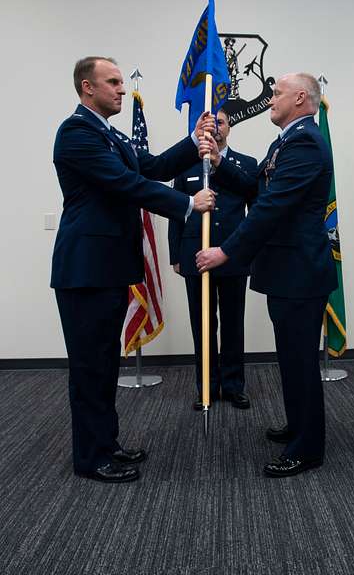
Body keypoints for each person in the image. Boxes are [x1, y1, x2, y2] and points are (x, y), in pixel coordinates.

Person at [51, 56, 216, 483]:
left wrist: (193, 138)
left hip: (108, 268)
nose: (122, 89)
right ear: (87, 87)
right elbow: (126, 184)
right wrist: (186, 204)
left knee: (106, 364)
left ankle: (107, 444)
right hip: (85, 269)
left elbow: (154, 167)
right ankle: (91, 458)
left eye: (122, 82)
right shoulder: (76, 133)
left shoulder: (111, 135)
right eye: (113, 82)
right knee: (90, 367)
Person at [196, 73, 337, 478]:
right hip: (287, 270)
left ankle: (307, 449)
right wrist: (220, 163)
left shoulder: (305, 142)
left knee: (300, 363)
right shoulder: (285, 141)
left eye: (276, 94)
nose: (269, 98)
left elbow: (271, 207)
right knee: (292, 360)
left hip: (300, 273)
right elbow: (255, 189)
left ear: (299, 98)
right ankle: (299, 427)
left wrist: (227, 250)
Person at [169, 109, 257, 410]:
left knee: (233, 324)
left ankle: (233, 386)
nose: (216, 127)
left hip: (232, 255)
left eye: (220, 122)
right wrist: (175, 255)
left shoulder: (246, 165)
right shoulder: (186, 166)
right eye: (210, 123)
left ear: (230, 127)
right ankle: (206, 386)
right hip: (195, 255)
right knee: (202, 324)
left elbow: (254, 202)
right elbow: (175, 215)